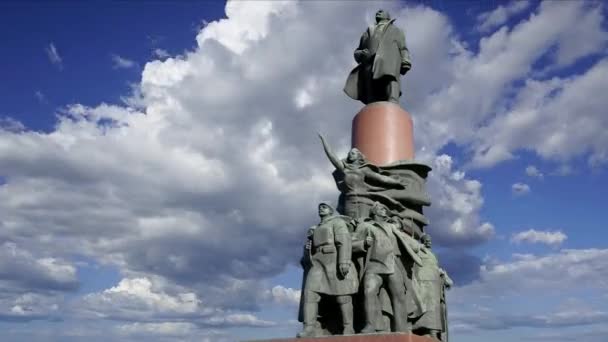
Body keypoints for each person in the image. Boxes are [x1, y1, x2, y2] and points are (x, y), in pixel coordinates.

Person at [352, 202, 424, 333]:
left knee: (399, 296)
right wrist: (362, 243)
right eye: (381, 209)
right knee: (369, 293)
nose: (384, 211)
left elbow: (408, 241)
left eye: (385, 209)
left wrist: (416, 246)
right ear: (374, 211)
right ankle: (370, 325)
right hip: (374, 265)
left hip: (392, 265)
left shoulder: (392, 227)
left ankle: (400, 328)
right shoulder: (365, 226)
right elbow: (351, 244)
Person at [298, 203, 358, 337]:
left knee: (343, 296)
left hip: (334, 259)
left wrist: (344, 261)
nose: (320, 208)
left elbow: (344, 241)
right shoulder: (315, 228)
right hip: (317, 262)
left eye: (324, 207)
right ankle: (309, 328)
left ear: (331, 211)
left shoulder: (337, 222)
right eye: (319, 206)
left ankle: (349, 327)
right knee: (310, 293)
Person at [319, 133, 405, 219]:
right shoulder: (345, 170)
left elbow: (382, 179)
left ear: (359, 156)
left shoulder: (364, 170)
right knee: (351, 224)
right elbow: (332, 157)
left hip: (363, 202)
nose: (349, 155)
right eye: (349, 153)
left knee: (362, 224)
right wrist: (324, 141)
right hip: (349, 201)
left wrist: (396, 182)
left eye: (353, 153)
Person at [344, 9, 412, 104]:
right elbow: (357, 50)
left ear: (388, 16)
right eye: (378, 11)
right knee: (370, 85)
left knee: (390, 78)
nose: (379, 11)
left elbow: (403, 47)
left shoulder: (396, 30)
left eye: (382, 11)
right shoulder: (366, 33)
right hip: (369, 64)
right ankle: (372, 103)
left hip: (389, 59)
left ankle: (393, 99)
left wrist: (405, 60)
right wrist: (360, 54)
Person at [413, 234, 453, 341]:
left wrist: (444, 277)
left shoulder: (433, 255)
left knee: (435, 309)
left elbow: (435, 268)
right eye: (426, 240)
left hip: (434, 283)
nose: (428, 242)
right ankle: (425, 330)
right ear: (422, 241)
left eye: (430, 240)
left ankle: (433, 332)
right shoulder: (418, 251)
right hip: (423, 282)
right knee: (425, 307)